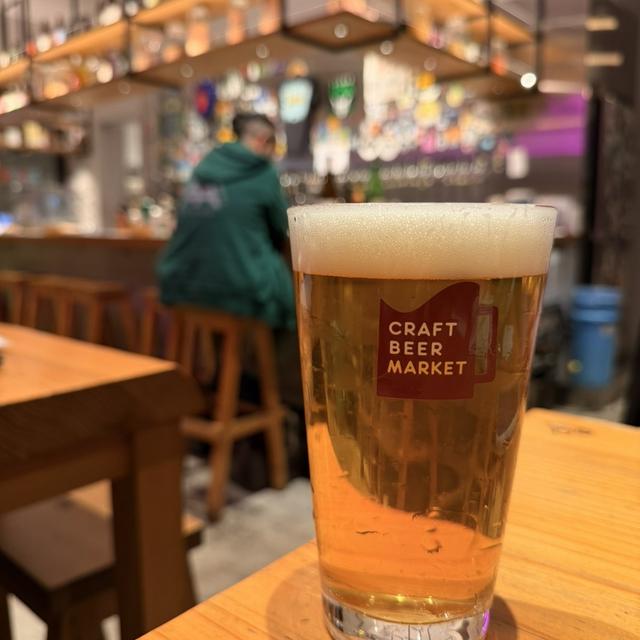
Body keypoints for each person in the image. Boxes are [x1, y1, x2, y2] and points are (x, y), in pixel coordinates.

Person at [157, 112, 295, 332]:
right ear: (263, 140)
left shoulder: (202, 168)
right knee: (292, 308)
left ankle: (224, 353)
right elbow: (283, 227)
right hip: (241, 288)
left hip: (185, 285)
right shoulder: (263, 171)